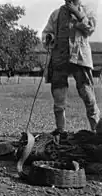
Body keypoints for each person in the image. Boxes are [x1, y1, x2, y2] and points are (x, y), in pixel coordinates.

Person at [42, 0, 100, 135]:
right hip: (59, 58)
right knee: (58, 96)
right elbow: (46, 33)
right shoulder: (56, 14)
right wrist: (49, 37)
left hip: (80, 57)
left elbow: (90, 28)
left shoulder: (87, 12)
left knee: (87, 95)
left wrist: (77, 13)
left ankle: (97, 130)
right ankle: (61, 130)